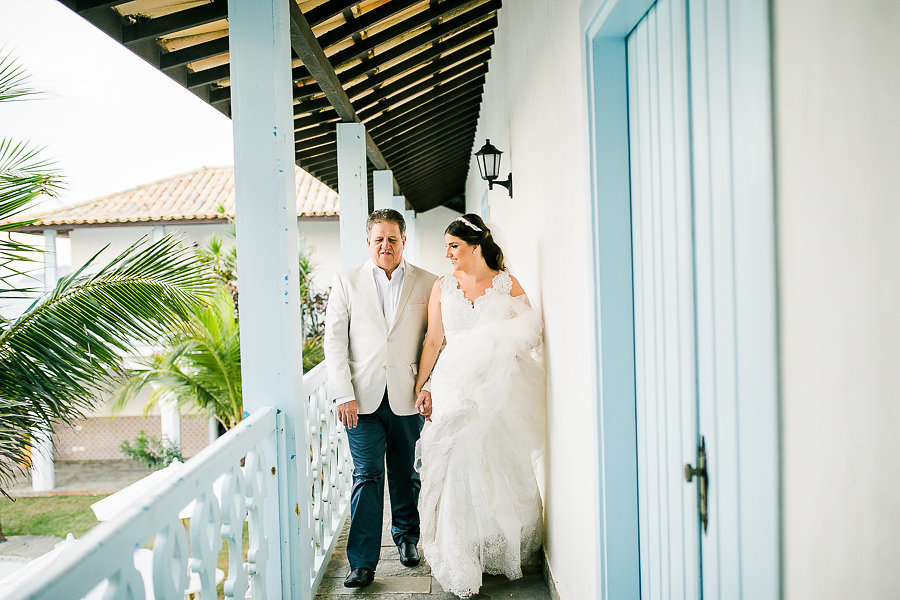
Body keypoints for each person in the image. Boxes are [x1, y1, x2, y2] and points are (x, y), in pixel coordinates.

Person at [413, 213, 545, 598]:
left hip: (495, 386)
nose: (448, 253)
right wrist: (423, 386)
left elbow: (531, 331)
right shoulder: (443, 287)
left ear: (474, 246)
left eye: (454, 246)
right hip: (453, 383)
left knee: (496, 461)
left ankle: (499, 544)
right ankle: (459, 549)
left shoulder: (506, 284)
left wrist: (499, 349)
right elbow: (434, 341)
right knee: (455, 461)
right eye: (446, 247)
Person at [324, 209, 438, 588]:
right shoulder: (346, 281)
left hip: (408, 395)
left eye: (392, 239)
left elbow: (436, 341)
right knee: (367, 476)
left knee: (406, 473)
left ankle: (407, 538)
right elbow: (335, 342)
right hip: (361, 401)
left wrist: (428, 386)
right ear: (368, 242)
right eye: (379, 239)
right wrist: (342, 393)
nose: (385, 246)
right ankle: (362, 562)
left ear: (404, 241)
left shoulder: (428, 283)